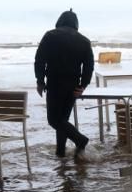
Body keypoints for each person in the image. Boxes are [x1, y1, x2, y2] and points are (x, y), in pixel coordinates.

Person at [34, 10, 94, 157]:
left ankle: (80, 140)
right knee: (62, 119)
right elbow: (89, 66)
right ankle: (60, 151)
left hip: (55, 83)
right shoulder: (84, 41)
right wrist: (83, 85)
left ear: (60, 21)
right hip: (73, 85)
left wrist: (40, 81)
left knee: (54, 120)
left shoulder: (50, 36)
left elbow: (39, 60)